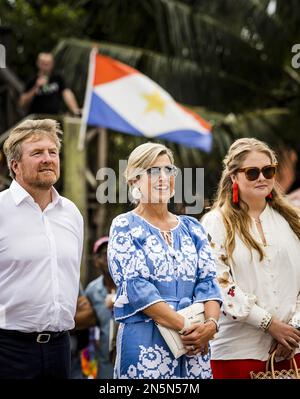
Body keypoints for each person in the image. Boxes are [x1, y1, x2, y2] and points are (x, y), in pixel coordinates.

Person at [108, 142, 222, 379]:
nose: (163, 177)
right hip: (146, 344)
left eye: (168, 170)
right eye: (153, 171)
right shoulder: (124, 226)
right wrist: (184, 326)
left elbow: (209, 284)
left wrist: (210, 327)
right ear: (134, 181)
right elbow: (138, 289)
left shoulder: (193, 228)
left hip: (195, 346)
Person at [201, 137, 300, 379]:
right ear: (234, 176)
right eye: (252, 173)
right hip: (237, 352)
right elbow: (219, 284)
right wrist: (269, 324)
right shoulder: (216, 222)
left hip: (292, 351)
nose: (262, 178)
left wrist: (294, 330)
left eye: (268, 171)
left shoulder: (292, 220)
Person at [0, 118, 84, 379]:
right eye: (37, 153)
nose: (48, 158)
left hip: (61, 349)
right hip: (7, 350)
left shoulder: (72, 213)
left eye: (53, 152)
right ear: (15, 165)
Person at [84, 236, 116, 379]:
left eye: (112, 251)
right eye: (104, 254)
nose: (109, 257)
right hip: (105, 363)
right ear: (96, 261)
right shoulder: (92, 290)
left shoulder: (131, 284)